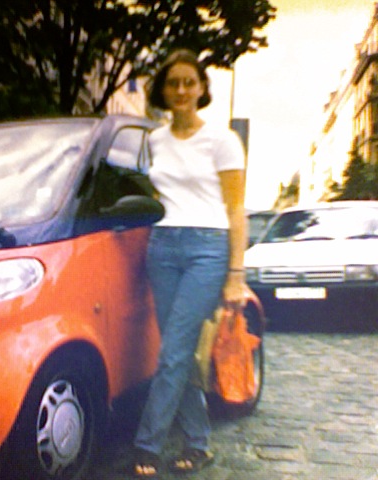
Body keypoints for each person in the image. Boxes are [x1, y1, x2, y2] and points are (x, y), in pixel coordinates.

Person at [124, 48, 248, 477]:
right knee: (177, 353)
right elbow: (154, 195)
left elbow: (235, 209)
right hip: (163, 246)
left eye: (188, 82)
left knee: (174, 351)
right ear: (163, 89)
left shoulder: (222, 140)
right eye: (173, 82)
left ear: (201, 89)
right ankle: (198, 443)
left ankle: (147, 444)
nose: (181, 90)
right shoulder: (153, 140)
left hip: (207, 250)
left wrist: (236, 273)